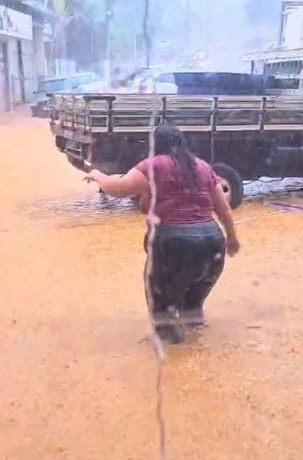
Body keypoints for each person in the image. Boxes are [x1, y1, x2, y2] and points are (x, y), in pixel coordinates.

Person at [86, 124, 240, 344]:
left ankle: (174, 360)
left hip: (174, 245)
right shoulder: (202, 167)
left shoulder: (154, 166)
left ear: (154, 145)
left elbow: (118, 189)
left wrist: (97, 175)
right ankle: (197, 351)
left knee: (163, 314)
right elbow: (223, 208)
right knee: (192, 309)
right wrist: (232, 239)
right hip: (212, 245)